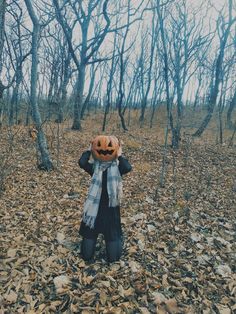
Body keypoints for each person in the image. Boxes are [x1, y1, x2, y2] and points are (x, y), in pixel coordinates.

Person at [78, 138, 132, 263]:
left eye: (110, 146)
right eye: (99, 146)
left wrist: (119, 155)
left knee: (114, 258)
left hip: (106, 211)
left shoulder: (114, 169)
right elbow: (81, 162)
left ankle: (106, 245)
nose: (105, 149)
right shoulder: (95, 168)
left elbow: (128, 167)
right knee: (86, 255)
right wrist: (89, 150)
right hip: (97, 212)